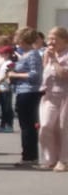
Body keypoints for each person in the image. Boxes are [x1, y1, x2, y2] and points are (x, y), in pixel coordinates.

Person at [7, 29, 45, 168]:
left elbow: (35, 75)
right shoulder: (24, 54)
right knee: (25, 125)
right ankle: (28, 155)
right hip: (22, 90)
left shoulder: (33, 54)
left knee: (28, 126)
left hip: (29, 92)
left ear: (23, 39)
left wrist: (15, 75)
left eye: (17, 37)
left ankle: (30, 156)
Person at [37, 26, 68, 172]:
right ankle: (50, 158)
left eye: (54, 39)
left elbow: (64, 75)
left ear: (65, 40)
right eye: (49, 38)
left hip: (65, 95)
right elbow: (46, 73)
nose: (50, 42)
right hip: (49, 95)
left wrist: (54, 60)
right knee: (46, 126)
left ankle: (64, 160)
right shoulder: (47, 54)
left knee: (63, 129)